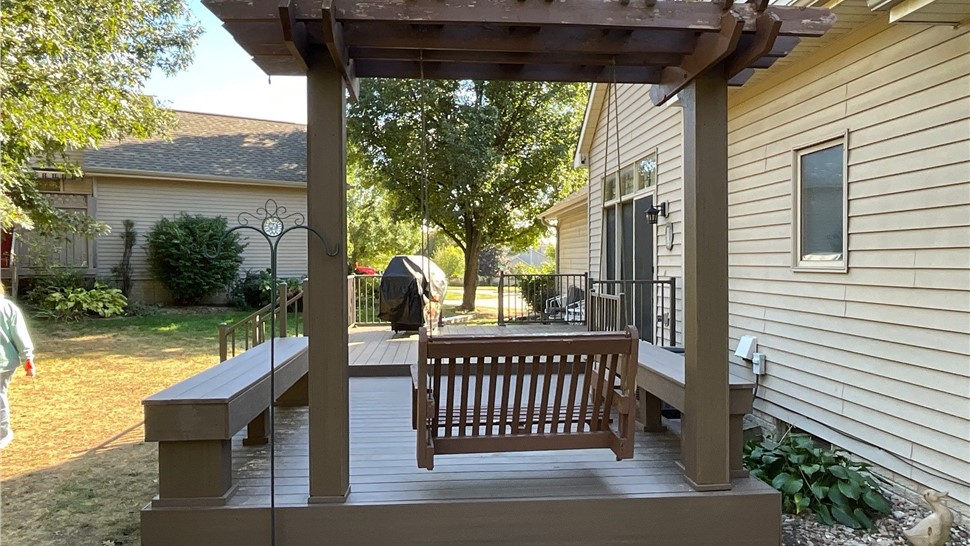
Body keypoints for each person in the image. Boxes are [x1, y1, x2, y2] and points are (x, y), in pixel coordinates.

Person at [0, 282, 34, 449]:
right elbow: (20, 335)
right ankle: (3, 434)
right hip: (5, 362)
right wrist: (28, 359)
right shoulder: (8, 307)